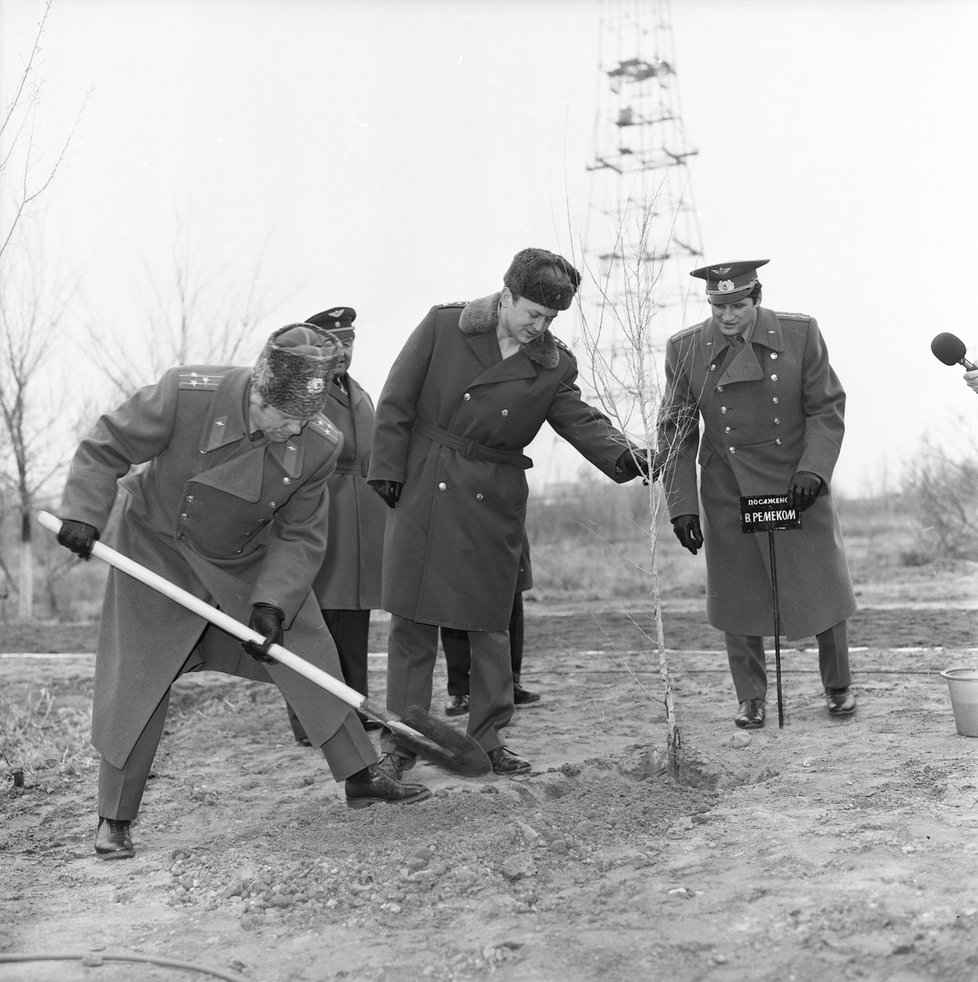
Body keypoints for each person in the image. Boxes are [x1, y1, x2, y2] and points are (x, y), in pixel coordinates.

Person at [55, 324, 430, 860]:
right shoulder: (187, 394)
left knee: (308, 650)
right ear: (257, 392)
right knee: (139, 678)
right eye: (284, 418)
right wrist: (82, 514)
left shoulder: (319, 442)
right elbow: (105, 446)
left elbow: (300, 532)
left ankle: (361, 775)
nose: (294, 430)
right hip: (156, 549)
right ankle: (114, 816)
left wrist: (273, 600)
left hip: (243, 559)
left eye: (305, 420)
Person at [367, 246, 660, 777]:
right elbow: (396, 397)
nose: (539, 326)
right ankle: (400, 744)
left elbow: (578, 417)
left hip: (493, 494)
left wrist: (625, 454)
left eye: (550, 318)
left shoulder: (552, 364)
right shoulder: (443, 327)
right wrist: (387, 468)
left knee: (489, 624)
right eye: (533, 313)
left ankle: (489, 739)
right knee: (410, 625)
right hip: (425, 483)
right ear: (506, 296)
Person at [658, 259, 857, 730]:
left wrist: (814, 470)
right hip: (728, 484)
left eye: (737, 306)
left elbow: (826, 407)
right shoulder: (685, 349)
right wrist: (681, 505)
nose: (726, 316)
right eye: (717, 306)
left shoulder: (801, 334)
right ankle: (750, 698)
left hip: (796, 483)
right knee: (739, 595)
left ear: (757, 298)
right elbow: (677, 431)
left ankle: (839, 686)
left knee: (821, 584)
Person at [282, 307, 387, 744]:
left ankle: (354, 705)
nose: (343, 352)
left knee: (354, 617)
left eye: (349, 343)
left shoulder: (355, 389)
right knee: (316, 620)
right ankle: (310, 719)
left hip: (362, 518)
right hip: (324, 513)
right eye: (334, 344)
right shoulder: (306, 390)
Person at [441, 537, 537, 716]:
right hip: (459, 529)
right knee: (455, 600)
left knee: (511, 599)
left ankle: (510, 683)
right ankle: (460, 689)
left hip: (505, 529)